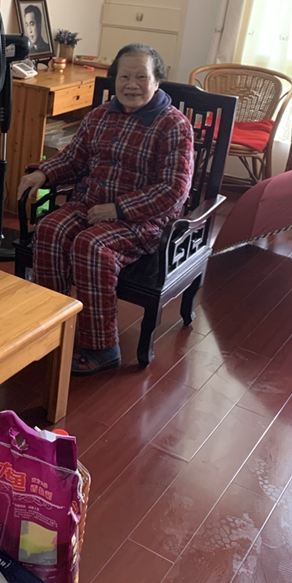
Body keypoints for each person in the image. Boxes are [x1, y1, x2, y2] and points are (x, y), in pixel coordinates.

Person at [17, 43, 194, 375]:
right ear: (114, 79)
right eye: (124, 77)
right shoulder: (100, 116)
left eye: (141, 77)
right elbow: (74, 159)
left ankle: (102, 347)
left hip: (144, 221)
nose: (131, 85)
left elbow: (174, 190)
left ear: (157, 80)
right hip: (91, 204)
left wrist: (117, 209)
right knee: (50, 229)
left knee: (91, 245)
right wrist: (43, 172)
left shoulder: (174, 125)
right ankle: (50, 324)